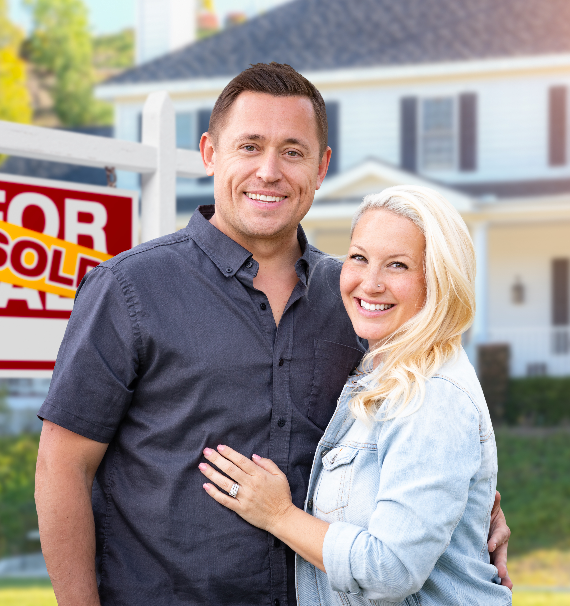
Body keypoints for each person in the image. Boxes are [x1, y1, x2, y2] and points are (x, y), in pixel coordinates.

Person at [35, 63, 511, 606]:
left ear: (321, 166)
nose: (269, 170)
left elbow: (417, 437)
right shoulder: (128, 289)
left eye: (292, 151)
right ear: (211, 153)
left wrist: (473, 509)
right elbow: (62, 464)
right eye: (250, 146)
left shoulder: (358, 298)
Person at [199, 185, 513, 605]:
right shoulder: (379, 371)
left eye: (398, 265)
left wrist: (277, 514)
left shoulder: (431, 395)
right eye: (359, 258)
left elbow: (392, 570)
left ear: (439, 278)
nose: (370, 283)